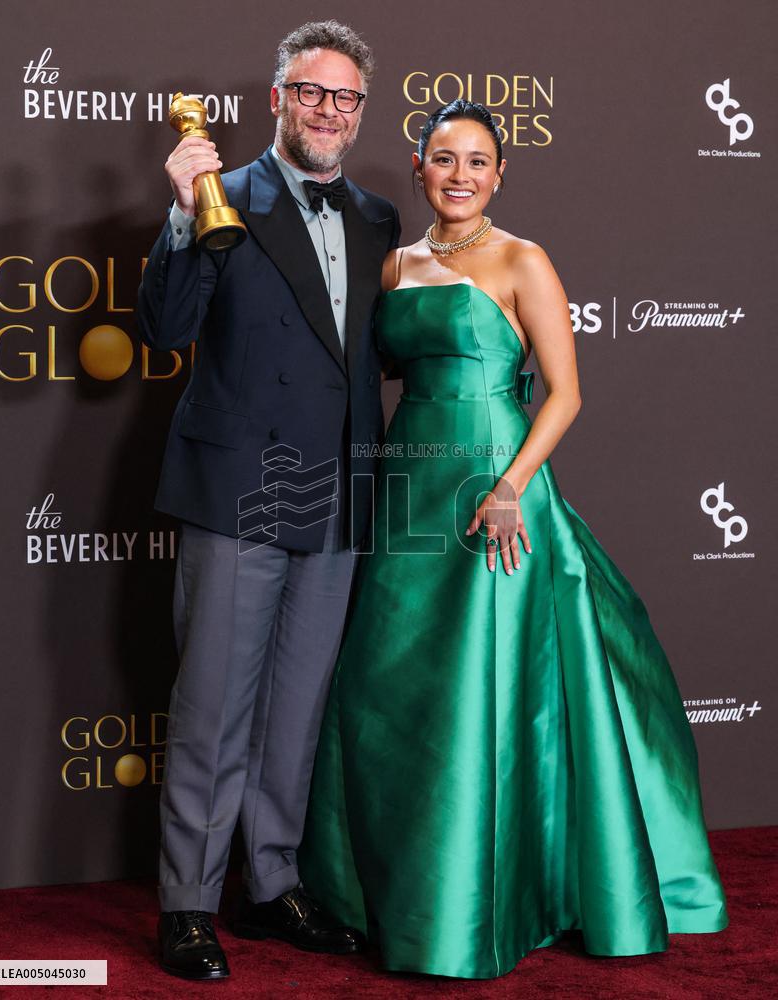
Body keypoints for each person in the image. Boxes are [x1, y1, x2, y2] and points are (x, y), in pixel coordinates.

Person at [298, 99, 728, 979]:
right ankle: (383, 893)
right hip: (411, 484)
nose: (460, 175)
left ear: (501, 174)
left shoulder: (524, 260)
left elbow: (564, 393)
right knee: (394, 691)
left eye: (479, 161)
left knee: (484, 689)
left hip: (496, 483)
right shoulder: (396, 265)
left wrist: (508, 488)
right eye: (444, 159)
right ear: (417, 169)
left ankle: (483, 904)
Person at [136, 20, 400, 981]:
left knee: (295, 711)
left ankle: (272, 881)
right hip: (238, 489)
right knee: (212, 710)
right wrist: (177, 213)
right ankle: (190, 905)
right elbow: (166, 330)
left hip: (337, 494)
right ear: (277, 99)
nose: (327, 110)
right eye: (310, 91)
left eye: (345, 97)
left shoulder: (377, 218)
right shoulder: (223, 198)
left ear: (359, 113)